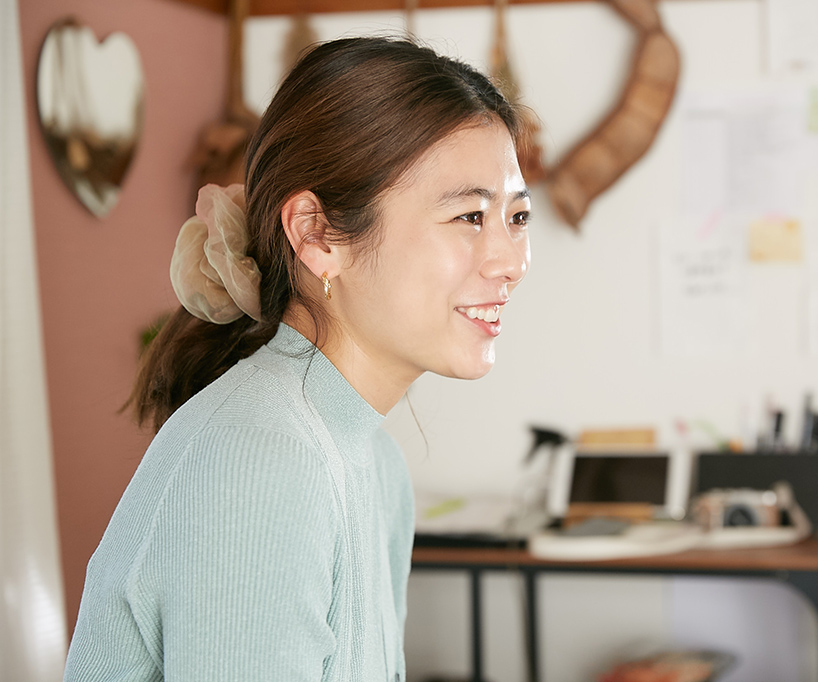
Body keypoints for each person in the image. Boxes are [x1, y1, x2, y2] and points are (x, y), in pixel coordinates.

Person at [63, 36, 531, 682]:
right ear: (316, 234)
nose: (512, 261)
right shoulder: (260, 456)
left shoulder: (374, 462)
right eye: (470, 216)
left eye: (518, 215)